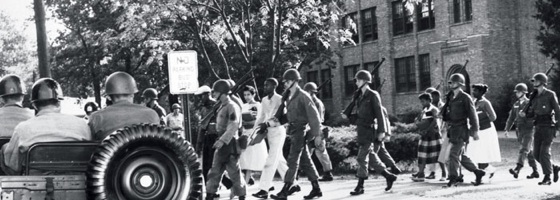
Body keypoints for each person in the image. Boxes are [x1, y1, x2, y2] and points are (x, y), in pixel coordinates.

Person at [1, 78, 91, 175]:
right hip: (77, 182)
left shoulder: (23, 128)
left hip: (35, 185)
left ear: (34, 105)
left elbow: (13, 165)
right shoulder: (82, 125)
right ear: (59, 102)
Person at [341, 70, 397, 195]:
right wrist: (348, 114)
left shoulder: (373, 95)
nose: (356, 82)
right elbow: (358, 114)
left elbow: (379, 114)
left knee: (361, 158)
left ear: (365, 81)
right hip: (361, 130)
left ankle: (360, 186)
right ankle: (389, 176)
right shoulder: (359, 96)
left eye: (358, 80)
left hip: (369, 130)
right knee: (372, 158)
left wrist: (382, 131)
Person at [270, 69, 323, 200]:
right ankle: (316, 188)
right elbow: (288, 116)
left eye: (287, 81)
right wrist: (275, 122)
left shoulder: (303, 96)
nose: (285, 83)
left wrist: (317, 135)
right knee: (305, 161)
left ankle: (285, 189)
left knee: (292, 160)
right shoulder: (288, 96)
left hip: (300, 131)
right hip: (293, 130)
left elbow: (314, 116)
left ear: (294, 81)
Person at [252, 78, 300, 199]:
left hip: (278, 132)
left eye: (267, 85)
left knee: (270, 161)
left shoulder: (280, 99)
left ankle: (264, 189)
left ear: (274, 86)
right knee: (279, 160)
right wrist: (254, 131)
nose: (265, 87)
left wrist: (268, 124)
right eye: (264, 85)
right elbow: (261, 117)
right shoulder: (263, 100)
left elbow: (282, 117)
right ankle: (293, 184)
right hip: (268, 132)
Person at [441, 73, 486, 187]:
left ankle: (453, 178)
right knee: (461, 156)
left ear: (460, 84)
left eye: (454, 82)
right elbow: (447, 112)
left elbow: (473, 115)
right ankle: (478, 172)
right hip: (453, 129)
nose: (452, 84)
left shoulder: (465, 97)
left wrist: (475, 130)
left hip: (461, 129)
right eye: (450, 82)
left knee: (453, 154)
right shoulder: (451, 97)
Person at [205, 79, 246, 200]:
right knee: (214, 172)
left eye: (216, 92)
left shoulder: (232, 106)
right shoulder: (222, 106)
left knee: (234, 174)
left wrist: (222, 140)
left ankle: (242, 195)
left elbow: (233, 125)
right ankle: (210, 194)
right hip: (222, 143)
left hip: (230, 144)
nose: (214, 95)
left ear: (222, 92)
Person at [88, 72, 160, 140]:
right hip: (145, 152)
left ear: (109, 97)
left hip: (110, 152)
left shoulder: (96, 118)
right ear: (133, 94)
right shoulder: (152, 114)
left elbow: (90, 147)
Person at [521, 73, 560, 185]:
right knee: (536, 154)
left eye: (536, 81)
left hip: (549, 126)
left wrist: (558, 125)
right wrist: (525, 114)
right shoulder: (533, 97)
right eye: (533, 81)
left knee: (544, 152)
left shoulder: (550, 95)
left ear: (542, 82)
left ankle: (547, 178)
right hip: (538, 126)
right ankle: (554, 167)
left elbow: (557, 110)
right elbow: (532, 113)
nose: (534, 83)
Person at [465, 84, 501, 182]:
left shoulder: (485, 103)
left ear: (481, 92)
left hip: (486, 131)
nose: (473, 92)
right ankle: (490, 170)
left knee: (483, 153)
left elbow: (493, 117)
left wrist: (482, 122)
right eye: (473, 91)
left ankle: (481, 177)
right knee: (477, 153)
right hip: (477, 131)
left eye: (476, 91)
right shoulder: (474, 102)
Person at [506, 83, 539, 179]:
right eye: (516, 92)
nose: (517, 94)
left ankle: (517, 168)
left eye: (519, 92)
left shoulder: (530, 103)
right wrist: (507, 129)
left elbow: (534, 116)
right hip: (519, 130)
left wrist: (526, 117)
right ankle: (535, 171)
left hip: (529, 129)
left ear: (524, 93)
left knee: (524, 149)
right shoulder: (516, 104)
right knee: (528, 151)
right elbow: (511, 117)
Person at [303, 82, 334, 181]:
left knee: (320, 151)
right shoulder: (313, 102)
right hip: (312, 129)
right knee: (310, 151)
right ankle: (300, 173)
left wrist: (317, 134)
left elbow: (318, 119)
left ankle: (328, 173)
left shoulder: (316, 103)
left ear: (309, 92)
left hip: (317, 129)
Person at [239, 85, 267, 185]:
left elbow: (258, 120)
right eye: (245, 95)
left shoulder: (257, 106)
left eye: (248, 95)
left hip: (254, 133)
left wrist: (250, 123)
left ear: (253, 94)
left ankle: (267, 183)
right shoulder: (244, 106)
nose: (246, 97)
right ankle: (246, 182)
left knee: (259, 158)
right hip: (245, 133)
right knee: (247, 160)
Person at [412, 93, 442, 182]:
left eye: (424, 101)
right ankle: (421, 173)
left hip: (433, 135)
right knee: (422, 154)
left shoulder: (433, 109)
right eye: (421, 102)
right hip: (424, 135)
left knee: (437, 155)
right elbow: (418, 120)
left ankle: (444, 173)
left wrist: (427, 129)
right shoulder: (424, 110)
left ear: (429, 100)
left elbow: (435, 121)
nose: (422, 103)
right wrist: (418, 124)